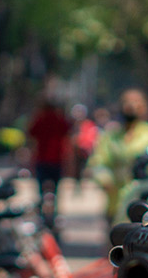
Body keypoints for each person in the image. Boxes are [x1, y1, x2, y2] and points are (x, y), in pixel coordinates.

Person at [86, 88, 148, 228]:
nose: (131, 106)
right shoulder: (110, 136)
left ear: (145, 107)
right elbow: (98, 162)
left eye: (136, 102)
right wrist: (104, 178)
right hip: (116, 202)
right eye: (127, 102)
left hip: (146, 203)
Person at [25, 90, 73, 239]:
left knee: (41, 192)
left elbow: (30, 138)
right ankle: (55, 218)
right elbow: (68, 138)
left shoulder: (39, 119)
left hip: (41, 160)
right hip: (57, 161)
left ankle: (41, 219)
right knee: (56, 192)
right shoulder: (60, 119)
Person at [70, 104, 98, 193]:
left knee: (84, 169)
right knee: (76, 170)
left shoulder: (88, 125)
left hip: (85, 151)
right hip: (75, 151)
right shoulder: (73, 125)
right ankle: (77, 186)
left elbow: (91, 137)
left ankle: (83, 185)